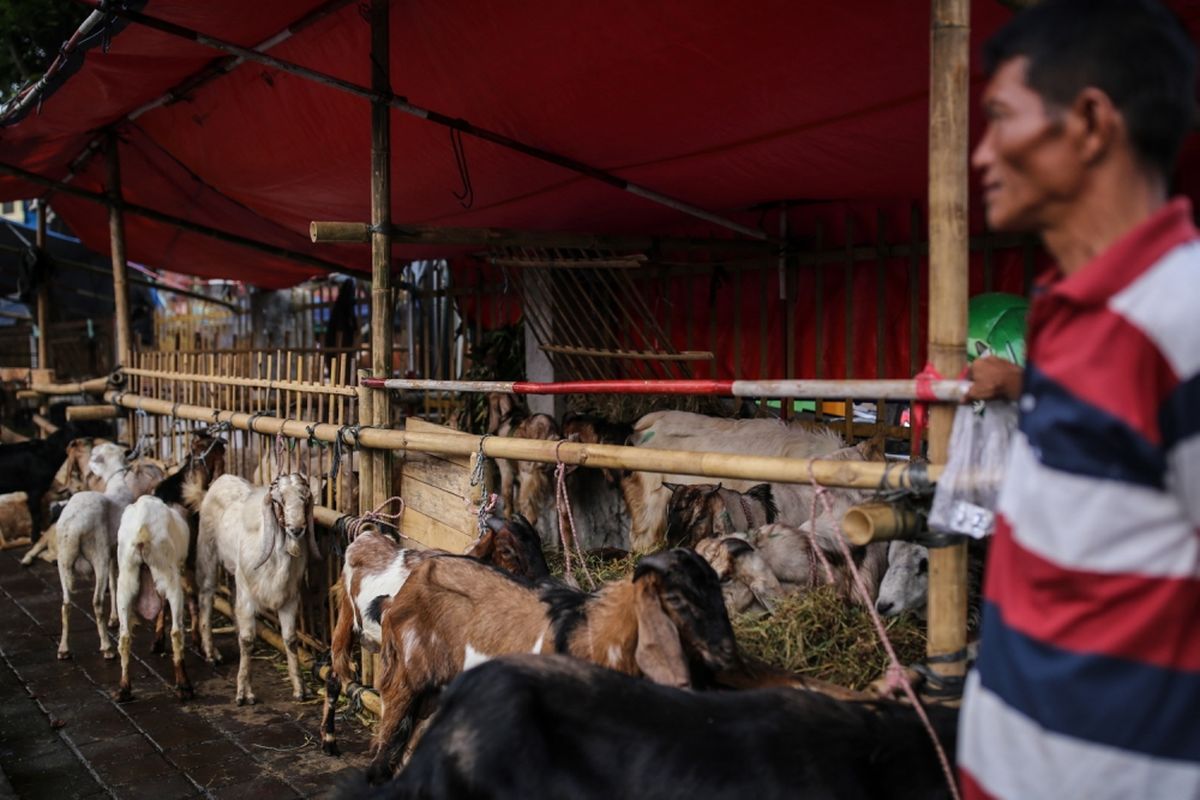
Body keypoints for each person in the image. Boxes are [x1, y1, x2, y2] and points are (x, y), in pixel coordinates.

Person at [957, 1, 1200, 798]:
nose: (982, 153)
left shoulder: (1182, 317)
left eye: (1000, 118)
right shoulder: (1064, 316)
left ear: (1092, 123)